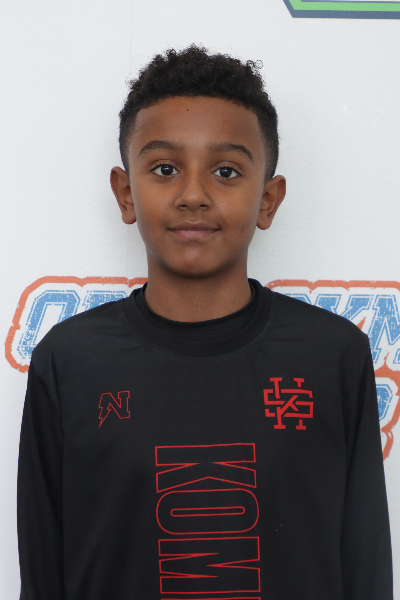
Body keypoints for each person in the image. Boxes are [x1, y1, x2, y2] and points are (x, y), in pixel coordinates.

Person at [17, 45, 393, 600]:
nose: (193, 194)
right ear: (126, 193)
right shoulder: (69, 361)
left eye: (225, 171)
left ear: (267, 200)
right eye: (165, 169)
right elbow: (43, 573)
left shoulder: (331, 355)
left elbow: (366, 570)